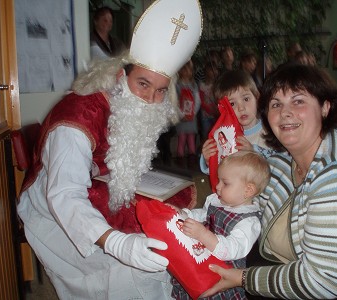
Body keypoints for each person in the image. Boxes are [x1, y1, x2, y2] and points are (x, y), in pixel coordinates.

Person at [17, 0, 203, 299]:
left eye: (159, 90)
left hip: (98, 184)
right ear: (121, 77)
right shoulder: (77, 117)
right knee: (129, 269)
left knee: (164, 221)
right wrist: (117, 243)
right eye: (143, 84)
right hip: (52, 209)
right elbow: (64, 194)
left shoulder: (132, 106)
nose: (150, 100)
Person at [201, 64, 337, 299]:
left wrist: (242, 278)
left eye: (298, 101)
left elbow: (323, 282)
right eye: (276, 104)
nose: (285, 112)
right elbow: (246, 201)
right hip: (284, 266)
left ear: (325, 107)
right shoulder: (283, 160)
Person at [170, 150, 270, 299]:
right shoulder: (217, 201)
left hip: (222, 277)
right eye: (219, 180)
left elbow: (230, 250)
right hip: (201, 261)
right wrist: (183, 214)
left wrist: (203, 235)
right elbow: (202, 215)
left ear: (248, 190)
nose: (217, 187)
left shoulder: (249, 222)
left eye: (225, 183)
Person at [200, 70, 274, 175]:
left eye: (246, 99)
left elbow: (279, 163)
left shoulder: (270, 130)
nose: (241, 107)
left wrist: (254, 153)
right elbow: (221, 174)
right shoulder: (223, 135)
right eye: (232, 103)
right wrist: (209, 161)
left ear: (257, 97)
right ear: (223, 109)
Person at [176, 59, 201, 158]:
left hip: (191, 117)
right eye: (184, 69)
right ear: (180, 70)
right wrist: (181, 114)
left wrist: (193, 113)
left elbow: (198, 100)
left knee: (191, 138)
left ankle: (192, 157)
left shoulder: (194, 85)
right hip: (181, 118)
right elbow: (175, 102)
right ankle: (180, 159)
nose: (187, 72)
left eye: (189, 69)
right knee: (181, 139)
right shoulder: (177, 85)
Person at [198, 61, 219, 142]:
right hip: (205, 115)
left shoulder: (217, 85)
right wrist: (208, 109)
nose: (214, 72)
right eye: (211, 69)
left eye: (215, 69)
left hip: (216, 114)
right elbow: (201, 99)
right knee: (206, 134)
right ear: (206, 71)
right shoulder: (202, 85)